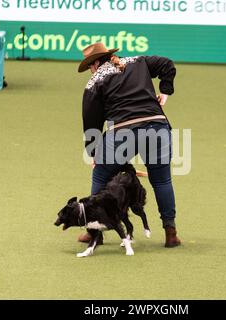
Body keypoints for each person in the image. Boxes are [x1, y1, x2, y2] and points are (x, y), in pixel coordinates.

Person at [77, 42, 181, 248]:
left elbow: (91, 121)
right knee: (161, 181)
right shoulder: (139, 61)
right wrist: (165, 92)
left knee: (100, 175)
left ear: (96, 63)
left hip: (122, 133)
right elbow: (167, 65)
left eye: (90, 65)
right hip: (157, 127)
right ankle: (171, 233)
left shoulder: (94, 82)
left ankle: (93, 231)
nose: (90, 70)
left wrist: (93, 151)